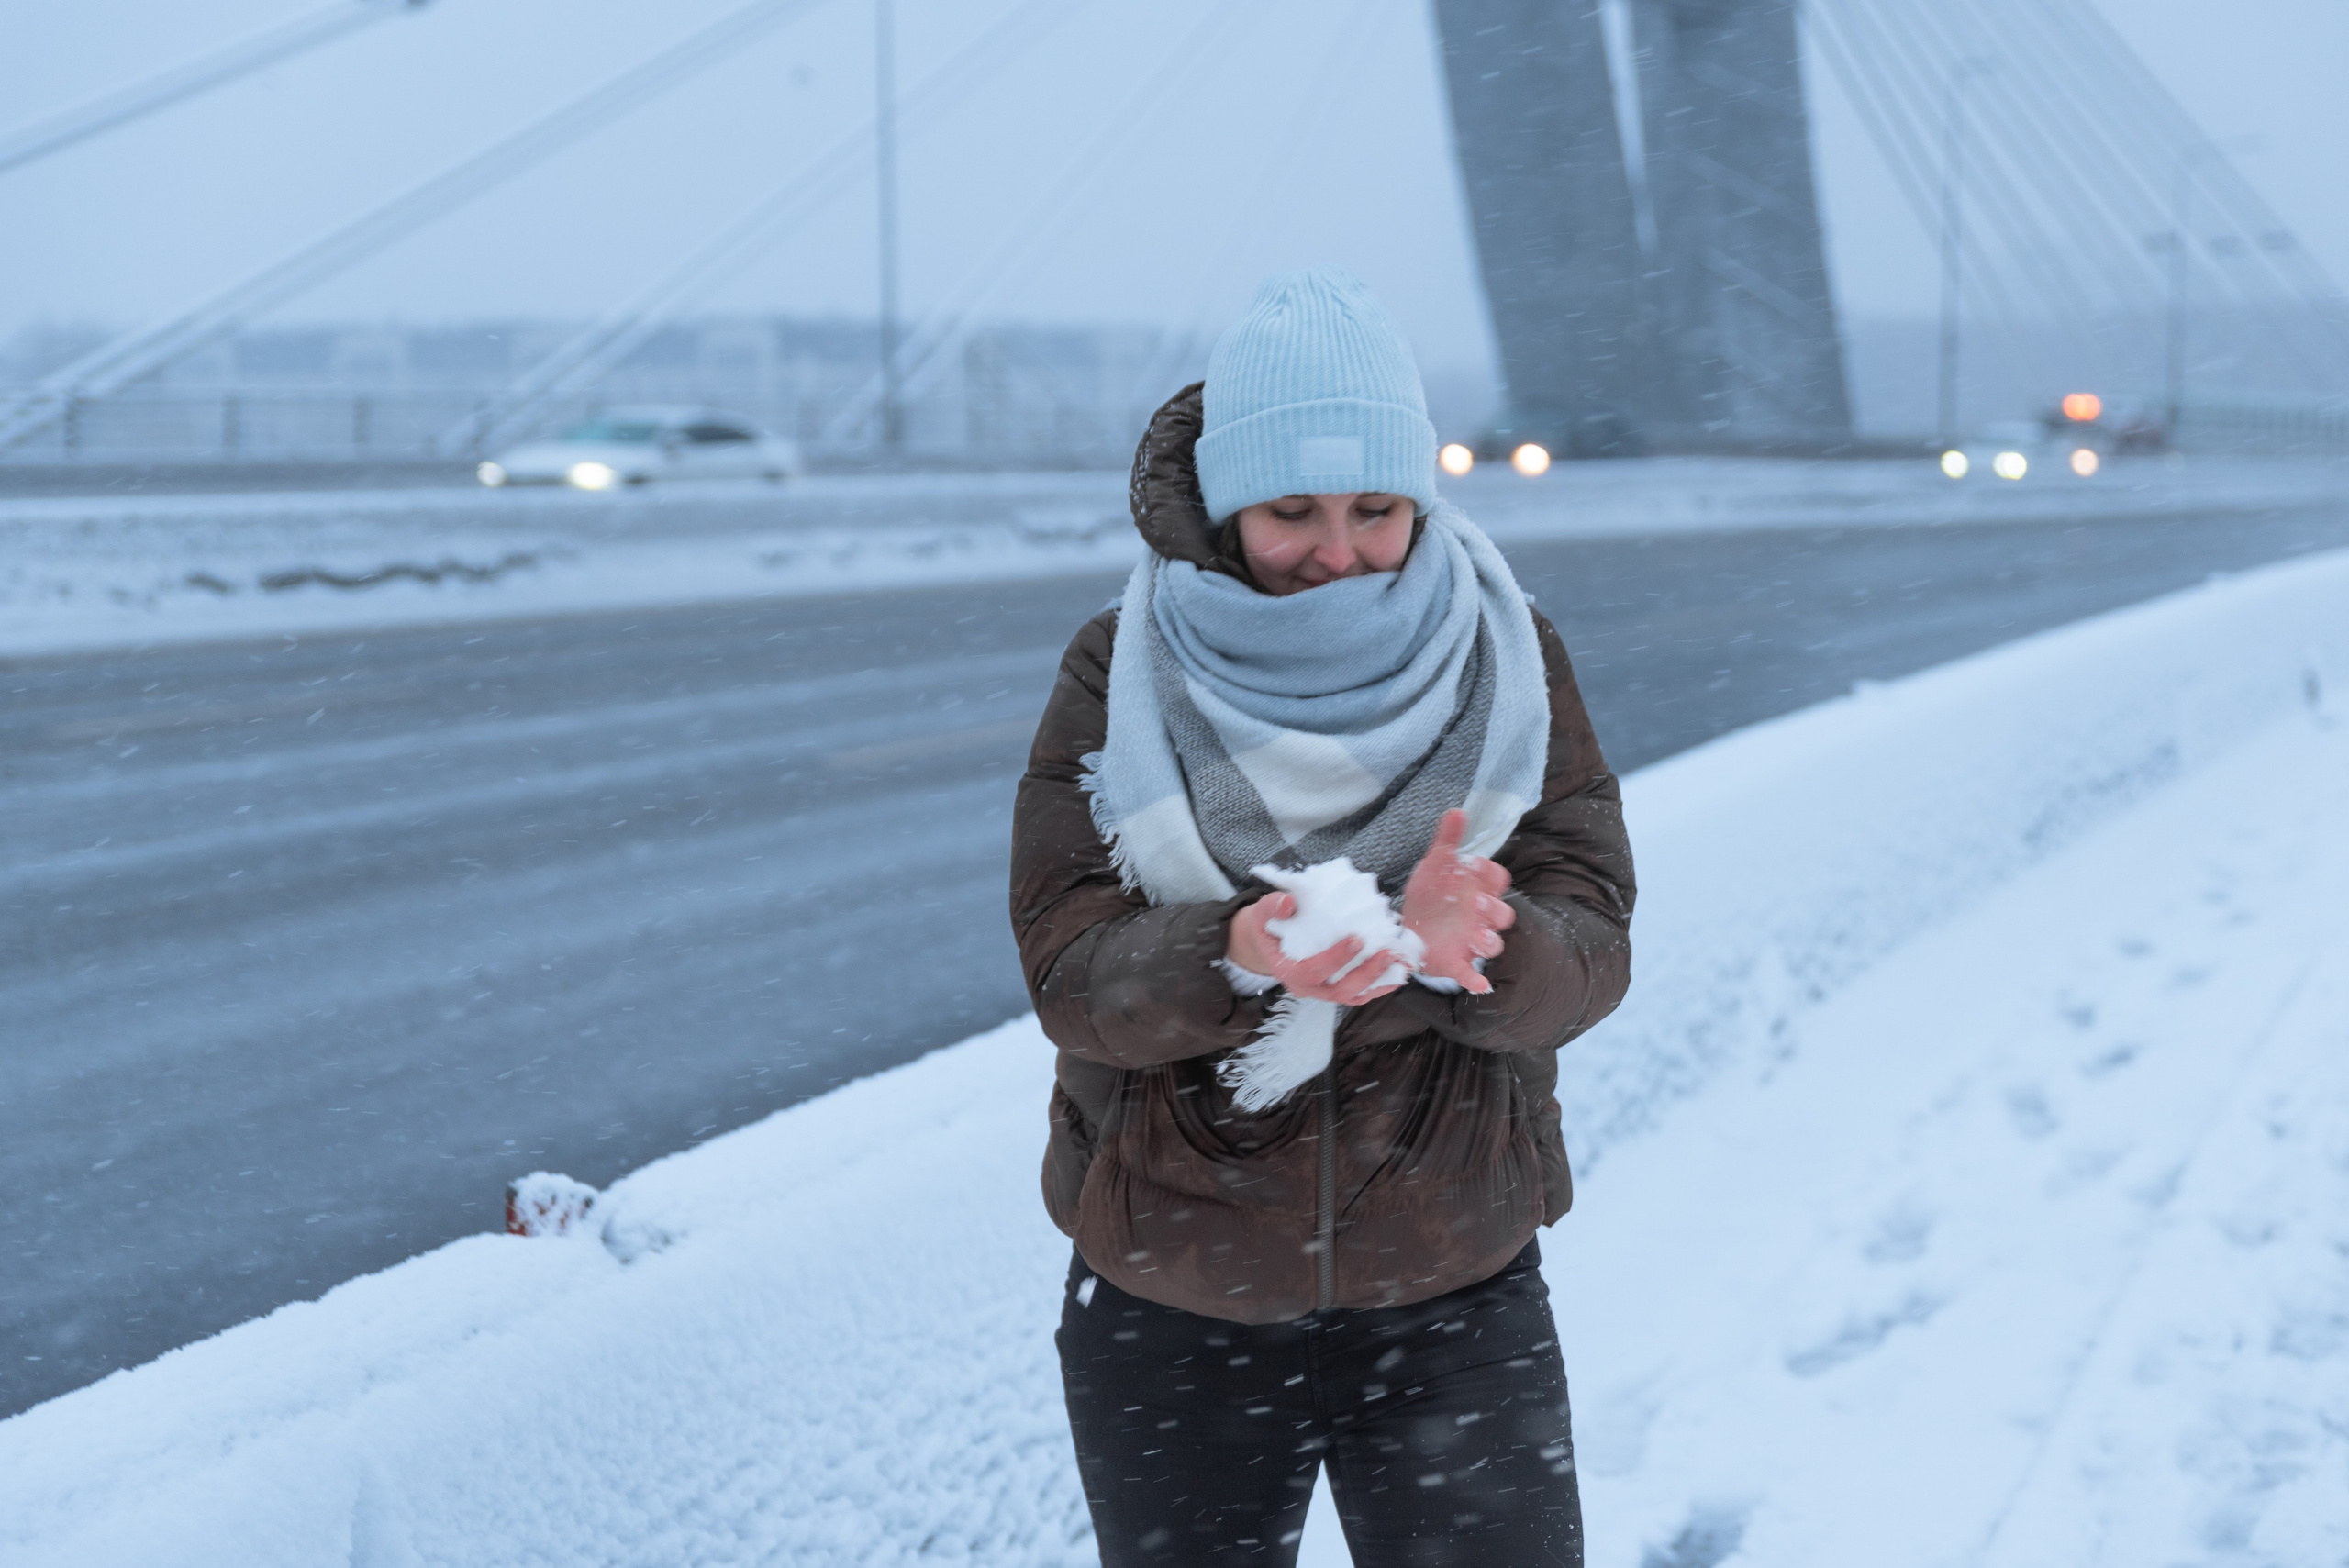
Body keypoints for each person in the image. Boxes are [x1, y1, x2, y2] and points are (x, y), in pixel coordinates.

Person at [1010, 267, 1635, 1566]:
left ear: (1424, 496)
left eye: (1376, 507)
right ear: (1227, 505)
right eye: (1291, 509)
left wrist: (1497, 949)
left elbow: (1597, 934)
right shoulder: (1120, 667)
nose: (1337, 550)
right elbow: (1069, 970)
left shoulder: (1509, 653)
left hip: (1454, 1279)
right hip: (1174, 1290)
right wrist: (1234, 952)